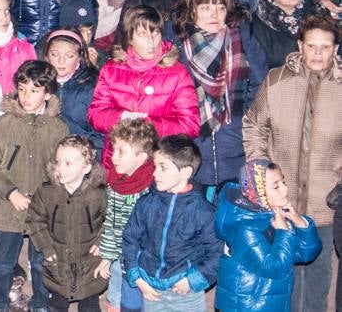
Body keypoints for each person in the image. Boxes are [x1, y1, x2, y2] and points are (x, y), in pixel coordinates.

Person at [243, 16, 342, 312]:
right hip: (279, 202)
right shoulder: (276, 80)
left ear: (336, 50)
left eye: (325, 47)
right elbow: (253, 126)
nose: (317, 54)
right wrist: (262, 175)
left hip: (324, 204)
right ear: (300, 46)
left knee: (317, 279)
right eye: (311, 46)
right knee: (277, 277)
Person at [0, 60, 68, 312]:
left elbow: (64, 170)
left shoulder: (58, 128)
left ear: (48, 93)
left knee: (41, 262)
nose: (26, 96)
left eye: (34, 90)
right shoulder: (4, 123)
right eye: (22, 89)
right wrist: (11, 192)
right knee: (2, 262)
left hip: (44, 211)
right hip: (10, 208)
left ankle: (40, 304)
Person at [173, 0, 268, 191]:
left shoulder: (242, 39)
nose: (214, 14)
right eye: (205, 7)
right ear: (191, 11)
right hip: (192, 149)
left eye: (220, 6)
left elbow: (260, 84)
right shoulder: (178, 48)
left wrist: (243, 118)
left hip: (234, 144)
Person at [120, 134, 222, 312]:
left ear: (186, 172)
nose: (154, 173)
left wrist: (192, 280)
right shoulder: (146, 204)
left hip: (186, 293)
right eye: (155, 166)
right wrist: (136, 276)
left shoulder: (203, 211)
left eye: (163, 168)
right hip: (151, 288)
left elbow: (216, 251)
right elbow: (130, 239)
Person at [214, 159, 323, 312]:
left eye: (283, 182)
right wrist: (284, 232)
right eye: (276, 186)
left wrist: (300, 223)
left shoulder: (273, 213)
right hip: (245, 306)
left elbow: (305, 254)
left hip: (271, 302)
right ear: (256, 191)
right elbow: (274, 268)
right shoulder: (243, 228)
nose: (285, 189)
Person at [90, 6, 200, 151]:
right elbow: (95, 115)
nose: (151, 41)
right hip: (117, 159)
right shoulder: (111, 69)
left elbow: (190, 125)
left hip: (157, 161)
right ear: (129, 38)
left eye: (155, 33)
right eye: (142, 34)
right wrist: (123, 118)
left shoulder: (177, 73)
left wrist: (146, 124)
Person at [27, 135, 109, 312]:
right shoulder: (46, 192)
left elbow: (110, 220)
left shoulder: (98, 194)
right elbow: (34, 220)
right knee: (57, 302)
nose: (60, 169)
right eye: (58, 162)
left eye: (68, 163)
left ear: (86, 167)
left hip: (89, 263)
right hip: (58, 261)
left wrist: (102, 241)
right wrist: (46, 248)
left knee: (90, 304)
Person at [98, 118, 159, 312]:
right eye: (114, 149)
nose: (113, 158)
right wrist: (107, 255)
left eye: (121, 152)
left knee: (136, 301)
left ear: (141, 157)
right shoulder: (115, 181)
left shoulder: (152, 190)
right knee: (116, 287)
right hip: (118, 251)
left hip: (140, 261)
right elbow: (110, 221)